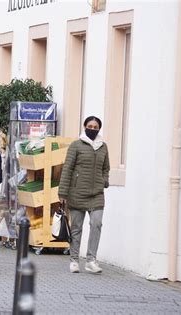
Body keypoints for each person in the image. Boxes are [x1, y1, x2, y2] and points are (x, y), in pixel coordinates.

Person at [58, 116, 110, 274]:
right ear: (84, 126)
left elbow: (106, 167)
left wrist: (104, 181)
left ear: (99, 129)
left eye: (95, 127)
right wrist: (62, 192)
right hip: (77, 192)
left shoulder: (103, 146)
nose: (92, 129)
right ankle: (74, 260)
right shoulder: (76, 145)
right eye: (90, 126)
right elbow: (67, 168)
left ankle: (91, 260)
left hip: (96, 194)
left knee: (97, 224)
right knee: (76, 228)